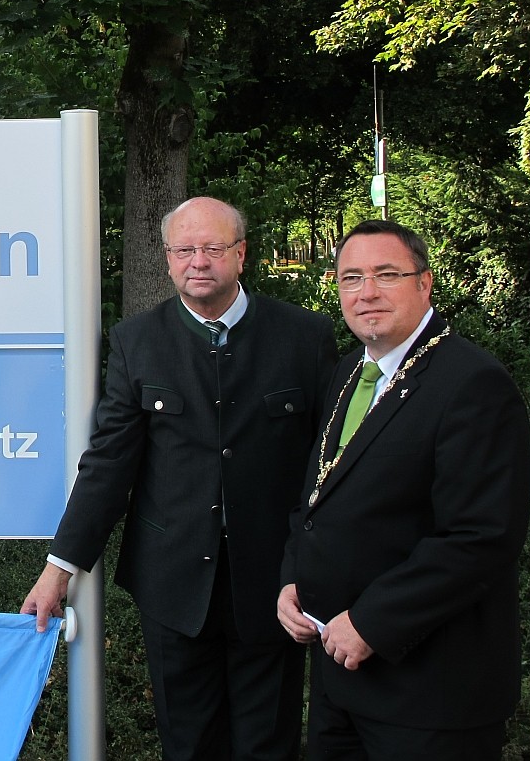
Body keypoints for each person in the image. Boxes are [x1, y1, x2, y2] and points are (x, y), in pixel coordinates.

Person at [22, 196, 336, 761]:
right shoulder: (135, 342)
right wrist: (60, 566)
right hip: (172, 588)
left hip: (275, 586)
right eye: (184, 249)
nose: (198, 261)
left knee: (270, 745)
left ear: (241, 255)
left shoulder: (305, 338)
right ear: (167, 259)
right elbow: (109, 461)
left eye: (213, 248)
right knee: (188, 747)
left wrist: (322, 567)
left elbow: (328, 466)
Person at [277, 220, 530, 761]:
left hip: (430, 695)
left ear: (425, 283)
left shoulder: (471, 384)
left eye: (386, 274)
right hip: (339, 681)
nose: (366, 292)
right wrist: (293, 579)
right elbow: (317, 496)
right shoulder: (349, 372)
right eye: (351, 279)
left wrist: (372, 622)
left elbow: (479, 537)